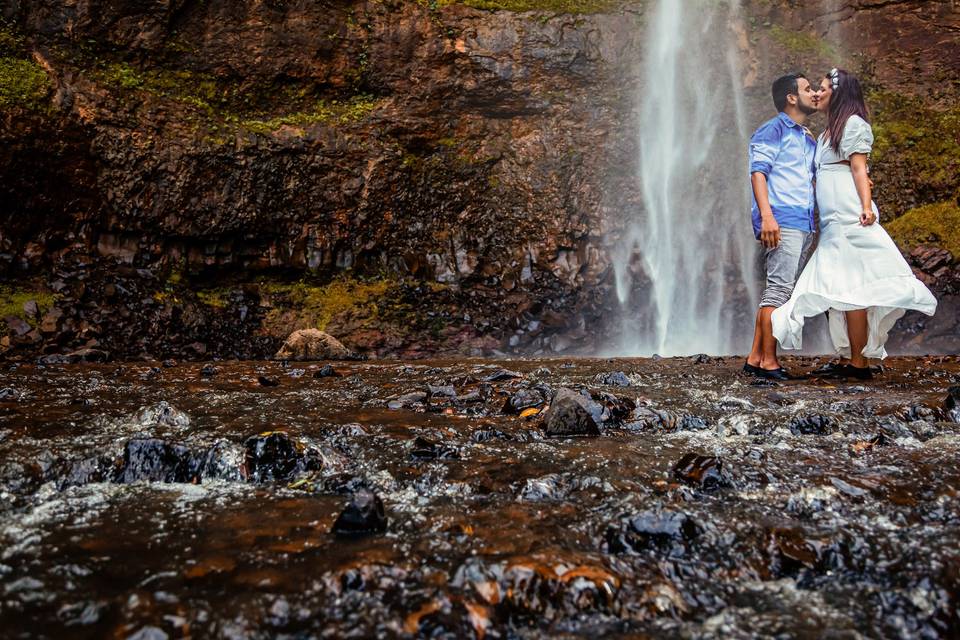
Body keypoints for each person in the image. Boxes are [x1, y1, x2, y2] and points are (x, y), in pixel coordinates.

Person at [771, 68, 937, 379]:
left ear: (839, 94)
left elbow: (860, 169)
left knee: (853, 290)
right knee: (842, 289)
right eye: (815, 89)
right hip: (834, 222)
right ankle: (850, 357)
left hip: (850, 216)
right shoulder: (826, 133)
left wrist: (866, 207)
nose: (817, 94)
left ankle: (859, 363)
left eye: (822, 89)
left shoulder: (853, 125)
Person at [744, 73, 819, 381]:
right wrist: (767, 217)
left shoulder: (806, 136)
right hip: (783, 219)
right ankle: (769, 361)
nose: (814, 93)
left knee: (780, 290)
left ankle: (755, 357)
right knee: (778, 290)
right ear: (791, 97)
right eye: (807, 89)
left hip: (802, 221)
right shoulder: (773, 130)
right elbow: (758, 173)